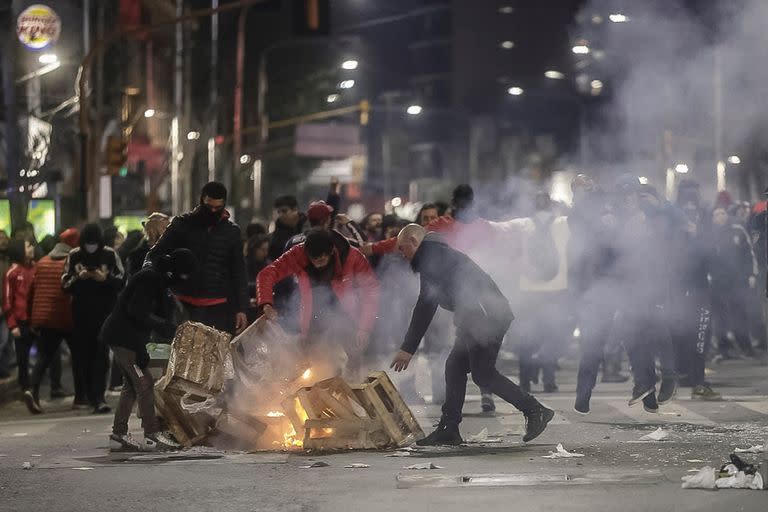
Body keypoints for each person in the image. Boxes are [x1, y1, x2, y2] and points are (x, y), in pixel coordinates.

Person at [390, 224, 553, 445]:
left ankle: (535, 410)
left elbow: (425, 306)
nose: (402, 254)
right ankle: (449, 429)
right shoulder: (434, 254)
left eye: (402, 248)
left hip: (485, 317)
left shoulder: (432, 257)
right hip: (477, 317)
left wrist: (407, 349)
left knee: (483, 373)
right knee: (455, 367)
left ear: (413, 241)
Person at [102, 249, 197, 452]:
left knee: (131, 386)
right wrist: (157, 334)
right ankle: (151, 435)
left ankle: (118, 436)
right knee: (144, 383)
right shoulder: (149, 278)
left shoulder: (158, 280)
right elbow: (136, 312)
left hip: (125, 338)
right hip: (123, 339)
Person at [257, 229, 379, 379]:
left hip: (347, 319)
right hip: (313, 319)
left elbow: (371, 290)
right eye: (313, 260)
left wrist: (364, 328)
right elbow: (267, 273)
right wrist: (266, 303)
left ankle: (354, 389)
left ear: (332, 251)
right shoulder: (298, 254)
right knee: (319, 369)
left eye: (321, 260)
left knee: (354, 364)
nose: (317, 265)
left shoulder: (352, 256)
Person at [146, 182, 248, 335]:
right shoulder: (181, 224)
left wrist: (241, 308)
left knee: (214, 356)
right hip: (182, 303)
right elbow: (155, 255)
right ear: (202, 201)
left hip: (218, 306)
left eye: (217, 208)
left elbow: (238, 271)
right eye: (209, 207)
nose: (212, 211)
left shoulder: (231, 232)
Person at [62, 224, 125, 414]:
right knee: (83, 356)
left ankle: (99, 397)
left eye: (94, 243)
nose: (91, 247)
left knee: (101, 355)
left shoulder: (109, 255)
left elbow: (122, 280)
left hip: (104, 313)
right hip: (81, 314)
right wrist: (78, 277)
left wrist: (104, 278)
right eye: (88, 243)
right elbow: (64, 283)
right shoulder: (74, 255)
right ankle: (88, 395)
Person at [25, 228, 81, 413]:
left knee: (44, 357)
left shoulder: (42, 262)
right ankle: (80, 397)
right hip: (67, 316)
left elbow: (32, 292)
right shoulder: (72, 262)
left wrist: (32, 319)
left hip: (46, 318)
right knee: (78, 357)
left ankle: (32, 391)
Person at [3, 238, 36, 398]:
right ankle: (26, 389)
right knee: (22, 358)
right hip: (21, 321)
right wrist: (12, 325)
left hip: (36, 320)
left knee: (44, 355)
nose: (32, 248)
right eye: (28, 246)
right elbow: (7, 301)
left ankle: (35, 387)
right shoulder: (12, 273)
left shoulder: (35, 268)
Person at [127, 213, 171, 278]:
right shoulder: (137, 255)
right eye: (165, 228)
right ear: (153, 230)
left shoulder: (172, 249)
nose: (169, 231)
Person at [0, 230, 13, 379]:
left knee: (7, 341)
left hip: (8, 306)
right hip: (2, 305)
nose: (3, 241)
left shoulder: (9, 259)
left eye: (4, 238)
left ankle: (4, 368)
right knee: (3, 340)